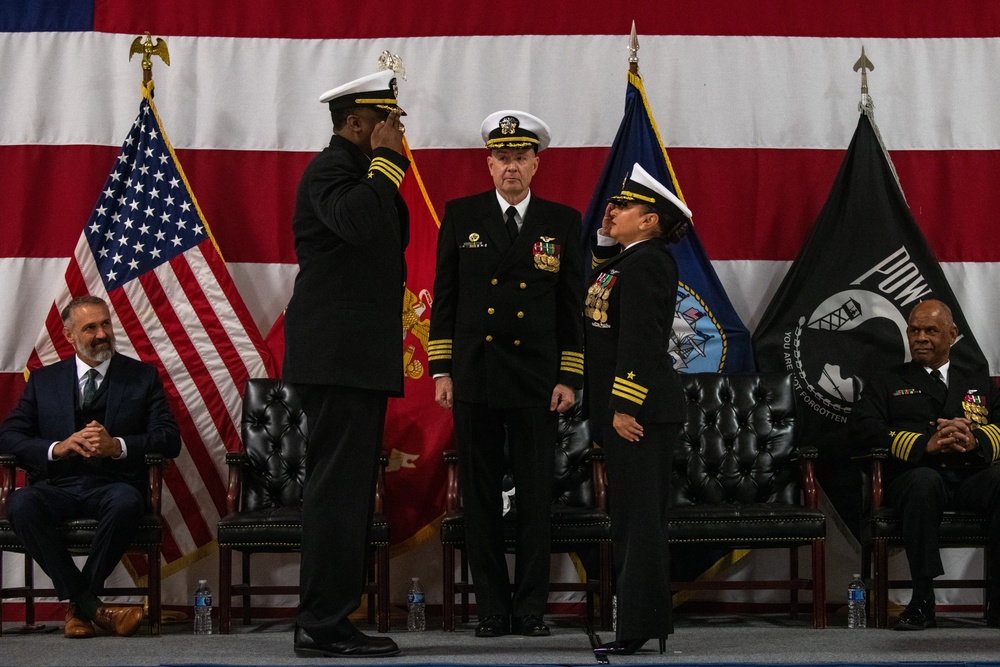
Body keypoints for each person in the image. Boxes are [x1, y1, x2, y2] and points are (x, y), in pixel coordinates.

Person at [429, 110, 585, 637]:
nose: (511, 166)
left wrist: (570, 376)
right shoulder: (460, 214)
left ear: (537, 164)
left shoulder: (562, 222)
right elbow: (445, 298)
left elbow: (572, 307)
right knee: (479, 497)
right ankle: (493, 607)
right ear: (488, 163)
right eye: (503, 158)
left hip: (538, 381)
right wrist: (441, 369)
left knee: (537, 498)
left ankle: (531, 608)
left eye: (521, 157)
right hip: (475, 375)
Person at [282, 69, 408, 658]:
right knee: (336, 492)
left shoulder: (363, 174)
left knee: (350, 491)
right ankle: (323, 623)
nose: (399, 130)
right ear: (357, 123)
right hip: (336, 359)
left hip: (357, 359)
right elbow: (358, 224)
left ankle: (331, 616)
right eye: (390, 120)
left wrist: (384, 171)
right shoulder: (332, 169)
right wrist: (385, 165)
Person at [0, 295, 180, 639]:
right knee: (20, 503)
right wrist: (58, 447)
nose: (102, 334)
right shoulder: (43, 381)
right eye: (90, 327)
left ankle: (78, 605)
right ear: (69, 336)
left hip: (115, 485)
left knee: (127, 503)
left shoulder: (142, 376)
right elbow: (8, 437)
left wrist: (118, 447)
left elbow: (169, 439)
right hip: (57, 486)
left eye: (105, 324)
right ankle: (91, 606)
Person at [584, 163, 692, 655]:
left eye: (624, 206)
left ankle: (640, 625)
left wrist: (623, 404)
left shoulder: (648, 263)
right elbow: (598, 304)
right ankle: (637, 620)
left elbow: (641, 338)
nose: (612, 210)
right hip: (629, 406)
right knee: (630, 517)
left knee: (640, 520)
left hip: (641, 410)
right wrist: (606, 240)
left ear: (650, 221)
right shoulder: (629, 260)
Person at [852, 299, 1000, 631]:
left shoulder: (975, 379)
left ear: (952, 334)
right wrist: (924, 443)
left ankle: (998, 598)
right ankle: (922, 599)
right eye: (914, 330)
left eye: (930, 330)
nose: (920, 337)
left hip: (969, 476)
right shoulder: (887, 380)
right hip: (914, 477)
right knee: (923, 482)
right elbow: (863, 429)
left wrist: (976, 440)